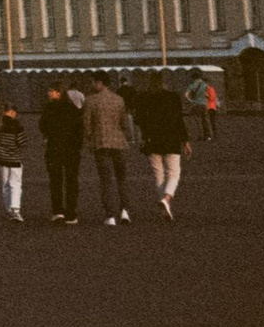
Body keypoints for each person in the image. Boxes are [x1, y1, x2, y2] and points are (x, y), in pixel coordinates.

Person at [81, 73, 132, 227]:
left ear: (100, 83)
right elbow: (124, 123)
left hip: (101, 143)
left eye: (93, 82)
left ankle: (110, 216)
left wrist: (89, 141)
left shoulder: (91, 100)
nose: (92, 85)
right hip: (119, 143)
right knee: (121, 178)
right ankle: (125, 211)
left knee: (106, 180)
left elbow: (87, 125)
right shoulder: (119, 99)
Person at [134, 76, 189, 220]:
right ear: (164, 83)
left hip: (151, 140)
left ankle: (164, 208)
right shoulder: (173, 97)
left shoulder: (143, 98)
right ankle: (166, 198)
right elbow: (179, 120)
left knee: (158, 175)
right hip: (171, 139)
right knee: (174, 173)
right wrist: (185, 140)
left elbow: (138, 120)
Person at [38, 85, 84, 226]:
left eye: (51, 90)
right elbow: (80, 129)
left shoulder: (49, 108)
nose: (48, 93)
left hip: (54, 148)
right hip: (71, 149)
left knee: (55, 181)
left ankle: (58, 211)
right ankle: (71, 213)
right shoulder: (73, 109)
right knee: (72, 181)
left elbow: (42, 126)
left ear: (59, 93)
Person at [0, 99, 27, 223]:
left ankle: (9, 209)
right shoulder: (16, 125)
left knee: (5, 184)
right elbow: (22, 142)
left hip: (1, 158)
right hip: (14, 159)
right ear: (11, 112)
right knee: (15, 184)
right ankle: (15, 209)